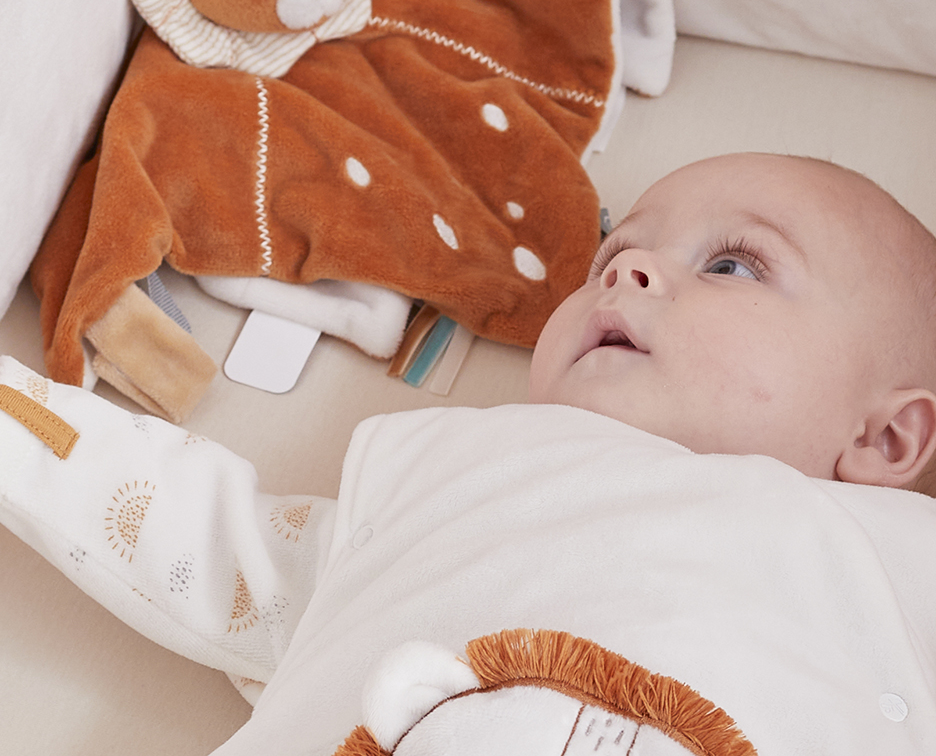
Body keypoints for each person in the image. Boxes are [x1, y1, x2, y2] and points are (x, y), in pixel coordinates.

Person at [1, 152, 935, 755]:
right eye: (608, 260)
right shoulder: (451, 476)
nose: (627, 269)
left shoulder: (897, 560)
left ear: (884, 438)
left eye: (732, 264)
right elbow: (192, 533)